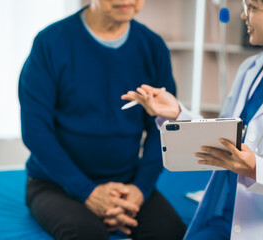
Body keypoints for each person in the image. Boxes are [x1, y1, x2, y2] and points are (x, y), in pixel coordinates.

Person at [122, 0, 263, 239]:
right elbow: (221, 134)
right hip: (225, 216)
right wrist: (177, 113)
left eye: (251, 7)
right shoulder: (251, 69)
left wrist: (255, 170)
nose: (243, 16)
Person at [18, 0, 186, 239]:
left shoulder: (152, 46)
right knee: (86, 233)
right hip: (55, 183)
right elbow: (35, 130)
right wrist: (87, 192)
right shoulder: (50, 43)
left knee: (169, 232)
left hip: (127, 182)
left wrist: (140, 189)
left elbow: (163, 128)